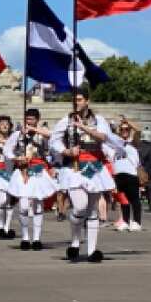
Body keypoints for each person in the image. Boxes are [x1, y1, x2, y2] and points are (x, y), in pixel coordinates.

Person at [51, 88, 122, 263]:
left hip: (94, 167)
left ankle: (92, 251)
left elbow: (103, 137)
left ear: (87, 101)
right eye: (74, 100)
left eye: (80, 99)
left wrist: (84, 128)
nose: (77, 103)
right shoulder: (65, 121)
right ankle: (75, 240)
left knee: (92, 211)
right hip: (74, 168)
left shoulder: (98, 120)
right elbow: (54, 140)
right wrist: (67, 150)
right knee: (80, 207)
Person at [8, 108, 56, 250]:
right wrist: (15, 157)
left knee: (38, 205)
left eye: (32, 119)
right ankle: (24, 237)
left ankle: (36, 238)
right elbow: (7, 149)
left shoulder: (43, 133)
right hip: (23, 169)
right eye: (27, 119)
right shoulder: (18, 134)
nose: (29, 121)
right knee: (23, 205)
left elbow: (53, 137)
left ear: (37, 119)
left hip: (38, 169)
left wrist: (36, 131)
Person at [111, 118, 143, 232]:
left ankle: (137, 222)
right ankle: (125, 221)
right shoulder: (116, 142)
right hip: (119, 173)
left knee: (134, 199)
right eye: (122, 129)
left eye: (127, 129)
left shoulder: (132, 142)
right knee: (123, 200)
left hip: (131, 173)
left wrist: (128, 122)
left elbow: (138, 131)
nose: (124, 131)